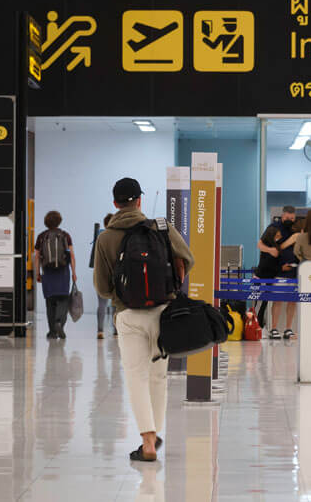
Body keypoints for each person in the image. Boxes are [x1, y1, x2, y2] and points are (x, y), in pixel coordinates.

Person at [93, 177, 194, 463]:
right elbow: (188, 259)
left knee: (136, 377)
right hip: (162, 312)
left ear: (115, 203)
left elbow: (101, 287)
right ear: (139, 200)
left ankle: (147, 441)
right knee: (158, 377)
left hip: (128, 315)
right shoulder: (161, 227)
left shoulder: (105, 238)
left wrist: (121, 293)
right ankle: (155, 432)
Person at [283, 209, 311, 340]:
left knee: (302, 301)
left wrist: (303, 259)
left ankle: (298, 331)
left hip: (305, 269)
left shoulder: (302, 237)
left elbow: (296, 252)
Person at [256, 206, 299, 339]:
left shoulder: (296, 228)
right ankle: (274, 328)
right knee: (278, 299)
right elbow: (260, 245)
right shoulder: (274, 227)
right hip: (278, 270)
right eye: (287, 217)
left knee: (292, 301)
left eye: (292, 218)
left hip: (295, 271)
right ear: (282, 216)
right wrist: (271, 250)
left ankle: (288, 328)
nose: (289, 220)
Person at [34, 210, 77, 340]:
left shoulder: (41, 236)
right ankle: (59, 323)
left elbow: (36, 257)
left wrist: (37, 273)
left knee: (50, 302)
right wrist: (74, 272)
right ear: (59, 221)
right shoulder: (65, 235)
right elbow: (72, 256)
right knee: (63, 300)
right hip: (63, 272)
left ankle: (52, 332)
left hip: (48, 272)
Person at [91, 212, 116, 340]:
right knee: (115, 303)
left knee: (101, 304)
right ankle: (116, 330)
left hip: (101, 274)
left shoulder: (99, 236)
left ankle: (100, 331)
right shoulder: (117, 236)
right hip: (115, 274)